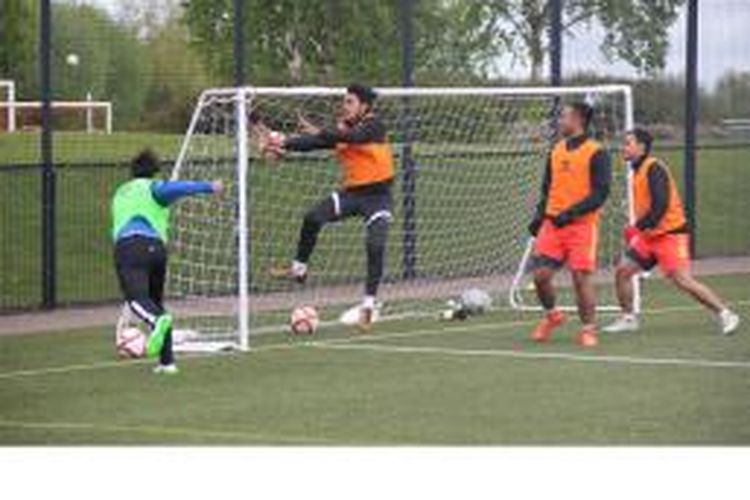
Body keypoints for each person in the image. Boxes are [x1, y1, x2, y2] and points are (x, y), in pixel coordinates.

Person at [262, 84, 394, 329]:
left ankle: (368, 304)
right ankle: (298, 269)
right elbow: (315, 142)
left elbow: (351, 137)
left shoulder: (375, 125)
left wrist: (322, 131)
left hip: (378, 197)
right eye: (344, 101)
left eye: (350, 102)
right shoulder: (342, 128)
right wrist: (283, 143)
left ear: (364, 106)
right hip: (353, 194)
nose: (344, 106)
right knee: (312, 217)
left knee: (375, 244)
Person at [603, 128, 740, 335]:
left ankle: (726, 313)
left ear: (641, 147)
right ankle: (629, 318)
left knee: (682, 281)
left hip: (670, 234)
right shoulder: (636, 171)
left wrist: (636, 228)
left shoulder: (654, 167)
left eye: (629, 143)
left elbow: (661, 205)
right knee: (623, 272)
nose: (624, 147)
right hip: (650, 236)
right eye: (625, 143)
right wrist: (640, 230)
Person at [112, 149, 222, 373]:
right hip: (157, 250)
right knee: (155, 303)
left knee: (136, 300)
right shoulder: (154, 187)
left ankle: (157, 323)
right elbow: (176, 188)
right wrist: (208, 186)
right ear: (154, 171)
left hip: (129, 247)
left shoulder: (120, 192)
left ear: (132, 171)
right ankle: (167, 362)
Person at [527, 102, 611, 347]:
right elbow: (547, 189)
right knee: (540, 276)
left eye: (563, 117)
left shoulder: (597, 152)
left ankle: (588, 329)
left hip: (582, 227)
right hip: (553, 225)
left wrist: (572, 213)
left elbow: (601, 192)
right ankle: (553, 316)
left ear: (577, 120)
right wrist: (539, 216)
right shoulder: (556, 150)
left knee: (580, 277)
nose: (560, 121)